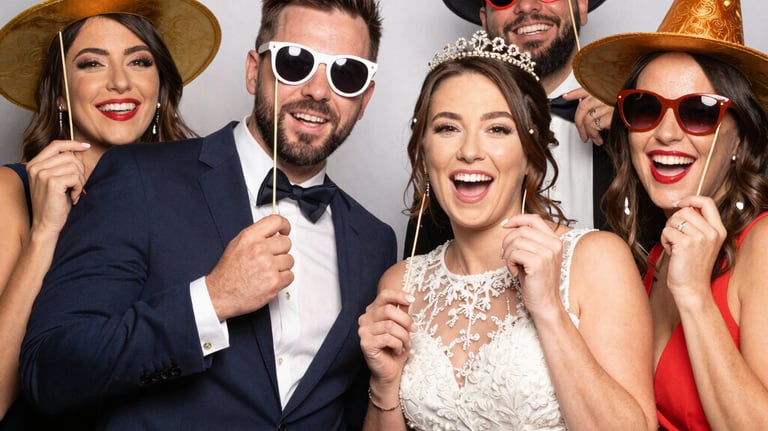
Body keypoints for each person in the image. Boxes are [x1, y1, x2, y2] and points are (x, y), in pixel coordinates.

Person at [19, 0, 396, 429]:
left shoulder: (375, 241)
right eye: (295, 62)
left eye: (346, 74)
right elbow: (49, 371)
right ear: (254, 70)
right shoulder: (139, 179)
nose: (317, 90)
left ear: (364, 98)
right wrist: (211, 300)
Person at [359, 30, 656, 430]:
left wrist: (549, 310)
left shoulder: (595, 260)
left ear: (531, 158)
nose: (469, 150)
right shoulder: (400, 283)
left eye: (497, 129)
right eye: (447, 128)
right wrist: (384, 384)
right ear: (424, 153)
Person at [0, 0, 219, 425]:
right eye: (91, 64)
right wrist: (46, 231)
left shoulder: (198, 195)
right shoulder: (11, 192)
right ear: (60, 94)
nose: (120, 82)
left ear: (161, 90)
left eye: (139, 61)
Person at [574, 0, 768, 429]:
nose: (664, 132)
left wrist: (696, 296)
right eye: (645, 108)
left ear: (739, 138)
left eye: (697, 111)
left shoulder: (764, 245)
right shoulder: (655, 254)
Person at [403, 0, 615, 257]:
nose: (526, 6)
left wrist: (635, 122)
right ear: (484, 18)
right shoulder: (452, 150)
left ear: (580, 6)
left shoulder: (639, 120)